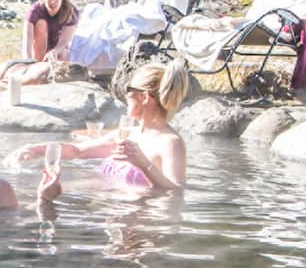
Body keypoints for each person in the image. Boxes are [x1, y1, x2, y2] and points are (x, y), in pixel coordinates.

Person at [10, 59, 190, 196]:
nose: (125, 95)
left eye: (128, 89)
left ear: (144, 97)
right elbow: (78, 151)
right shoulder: (128, 134)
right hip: (112, 216)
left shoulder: (170, 143)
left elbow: (176, 192)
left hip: (142, 226)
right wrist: (36, 149)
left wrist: (144, 164)